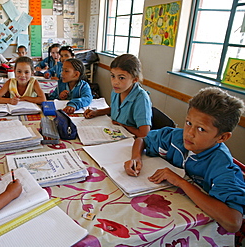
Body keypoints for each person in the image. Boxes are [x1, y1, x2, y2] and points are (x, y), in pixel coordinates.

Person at [124, 87, 245, 233]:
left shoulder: (221, 166)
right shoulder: (176, 137)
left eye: (201, 129)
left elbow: (233, 222)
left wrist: (180, 182)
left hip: (196, 228)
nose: (189, 133)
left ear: (222, 137)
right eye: (188, 123)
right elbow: (142, 139)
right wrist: (136, 157)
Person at [84, 54, 152, 137]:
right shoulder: (117, 90)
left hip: (131, 141)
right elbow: (116, 109)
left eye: (122, 78)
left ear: (135, 79)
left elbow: (144, 134)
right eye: (113, 76)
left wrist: (123, 126)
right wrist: (96, 112)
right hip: (115, 133)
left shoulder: (141, 99)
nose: (115, 82)